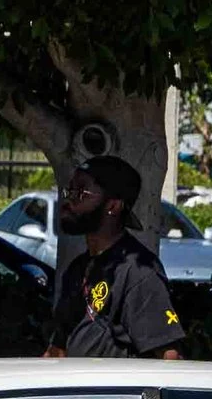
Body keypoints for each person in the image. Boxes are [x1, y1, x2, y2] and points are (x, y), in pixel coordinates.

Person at [42, 154, 184, 360]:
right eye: (69, 190)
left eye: (81, 192)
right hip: (77, 391)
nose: (68, 200)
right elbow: (56, 351)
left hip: (112, 392)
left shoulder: (138, 273)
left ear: (113, 206)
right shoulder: (77, 269)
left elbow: (170, 358)